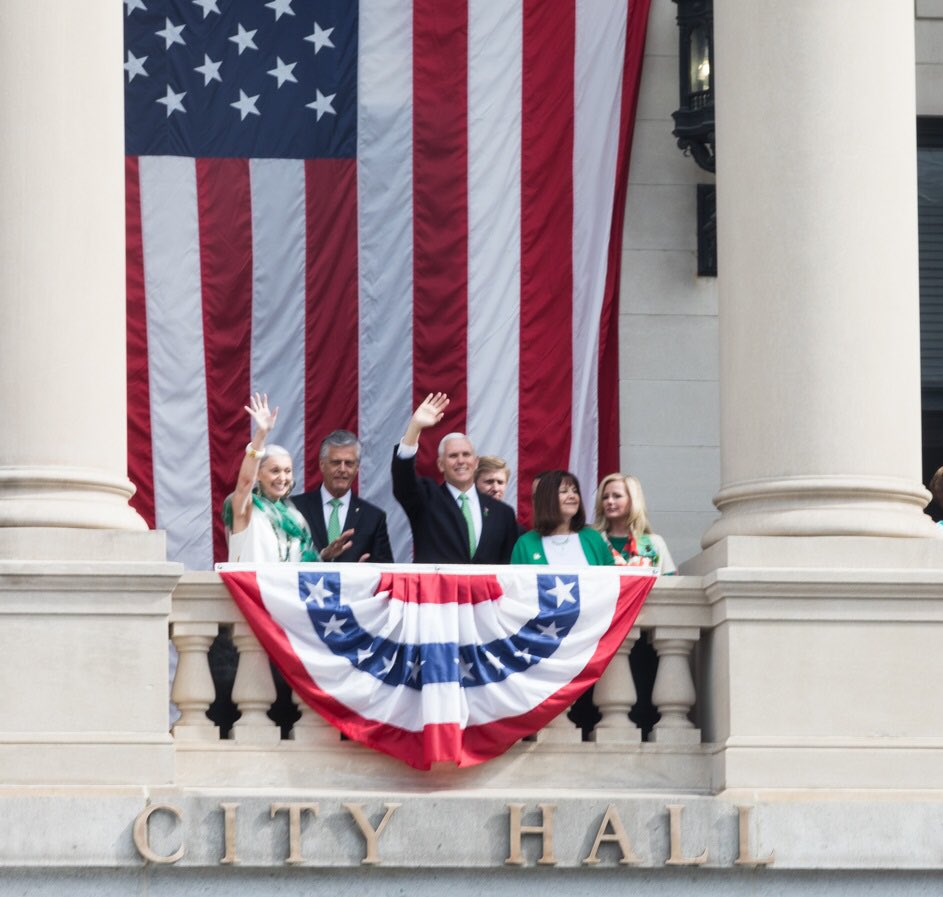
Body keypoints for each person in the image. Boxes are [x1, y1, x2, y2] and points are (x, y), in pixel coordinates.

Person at [223, 394, 353, 563]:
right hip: (251, 588)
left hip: (286, 589)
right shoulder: (246, 507)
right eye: (275, 470)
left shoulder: (296, 518)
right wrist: (261, 434)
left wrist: (323, 556)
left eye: (287, 471)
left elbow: (300, 567)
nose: (282, 478)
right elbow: (245, 482)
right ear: (258, 474)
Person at [391, 392, 518, 563]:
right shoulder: (427, 499)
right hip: (437, 589)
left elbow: (507, 568)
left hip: (485, 590)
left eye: (466, 455)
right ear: (441, 464)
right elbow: (403, 480)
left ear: (476, 462)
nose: (460, 461)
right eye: (453, 456)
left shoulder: (502, 513)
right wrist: (415, 427)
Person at [292, 430, 395, 563]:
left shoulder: (373, 518)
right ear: (322, 465)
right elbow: (284, 561)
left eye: (349, 463)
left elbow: (385, 572)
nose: (342, 469)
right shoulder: (296, 508)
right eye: (336, 462)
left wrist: (367, 573)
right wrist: (321, 558)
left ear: (357, 468)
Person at [511, 470, 614, 566]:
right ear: (547, 499)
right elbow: (515, 583)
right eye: (564, 491)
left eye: (575, 491)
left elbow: (612, 580)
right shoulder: (525, 544)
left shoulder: (593, 538)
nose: (572, 496)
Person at [593, 472, 676, 573]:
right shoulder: (593, 541)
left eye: (617, 496)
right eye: (605, 497)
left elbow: (669, 582)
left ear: (633, 500)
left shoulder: (654, 543)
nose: (609, 501)